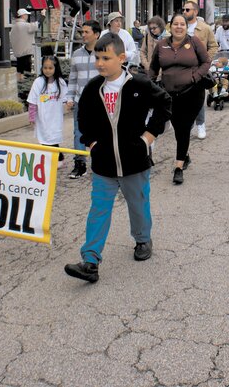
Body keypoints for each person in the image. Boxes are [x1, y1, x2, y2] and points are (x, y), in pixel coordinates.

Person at [64, 33, 172, 283]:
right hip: (104, 165)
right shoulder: (93, 88)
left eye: (106, 58)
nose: (100, 63)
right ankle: (90, 261)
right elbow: (83, 119)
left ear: (121, 58)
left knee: (138, 205)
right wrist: (91, 143)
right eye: (97, 58)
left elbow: (165, 104)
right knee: (99, 210)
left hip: (135, 163)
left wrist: (148, 137)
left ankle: (143, 239)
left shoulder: (139, 84)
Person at [149, 13, 211, 185]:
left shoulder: (194, 42)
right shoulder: (162, 45)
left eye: (182, 24)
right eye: (175, 24)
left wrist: (195, 77)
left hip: (192, 93)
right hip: (170, 94)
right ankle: (185, 155)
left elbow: (206, 62)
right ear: (170, 26)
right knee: (178, 128)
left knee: (183, 127)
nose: (179, 27)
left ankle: (178, 167)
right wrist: (149, 86)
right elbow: (154, 68)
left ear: (186, 27)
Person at [64, 19, 101, 179]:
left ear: (97, 34)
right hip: (80, 101)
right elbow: (72, 78)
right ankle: (80, 164)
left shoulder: (104, 54)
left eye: (86, 32)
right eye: (82, 32)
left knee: (101, 132)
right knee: (78, 132)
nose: (83, 35)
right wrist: (70, 97)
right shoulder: (77, 54)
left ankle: (101, 162)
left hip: (100, 101)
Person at [181, 1, 218, 140]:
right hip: (182, 68)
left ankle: (200, 124)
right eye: (183, 9)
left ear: (195, 12)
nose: (184, 11)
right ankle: (188, 124)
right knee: (183, 97)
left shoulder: (205, 28)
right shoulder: (179, 26)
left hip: (198, 68)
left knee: (198, 97)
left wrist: (205, 60)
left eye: (187, 9)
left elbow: (213, 46)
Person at [28, 55, 68, 161]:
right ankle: (54, 158)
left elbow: (66, 99)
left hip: (55, 118)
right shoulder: (38, 82)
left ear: (56, 68)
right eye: (45, 68)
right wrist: (31, 117)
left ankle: (57, 158)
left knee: (53, 138)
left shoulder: (60, 82)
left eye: (50, 68)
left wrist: (69, 104)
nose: (47, 70)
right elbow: (32, 102)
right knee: (44, 139)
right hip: (42, 118)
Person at [10, 8, 40, 80]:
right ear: (23, 15)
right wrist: (42, 16)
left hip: (18, 52)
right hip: (25, 52)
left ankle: (19, 85)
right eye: (26, 15)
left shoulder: (14, 26)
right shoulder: (24, 25)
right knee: (26, 71)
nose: (27, 16)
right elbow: (36, 26)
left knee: (19, 69)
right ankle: (26, 86)